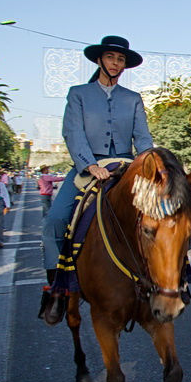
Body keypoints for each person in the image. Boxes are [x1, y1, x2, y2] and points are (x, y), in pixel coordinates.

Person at [40, 35, 153, 323]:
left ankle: (181, 278)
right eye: (111, 58)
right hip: (88, 166)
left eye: (121, 60)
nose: (116, 63)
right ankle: (56, 289)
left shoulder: (133, 99)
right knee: (55, 219)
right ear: (99, 60)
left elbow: (142, 137)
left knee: (166, 211)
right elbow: (73, 132)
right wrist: (89, 165)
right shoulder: (78, 93)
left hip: (126, 165)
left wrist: (152, 165)